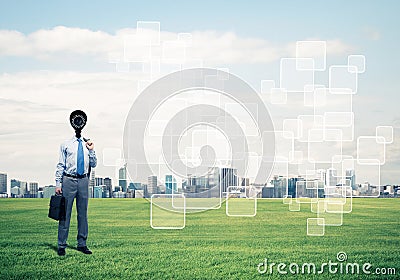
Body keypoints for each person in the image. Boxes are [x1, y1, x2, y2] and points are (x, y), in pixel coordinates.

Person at [55, 110, 97, 256]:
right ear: (72, 123)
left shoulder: (88, 144)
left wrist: (91, 150)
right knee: (64, 214)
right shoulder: (65, 144)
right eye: (76, 120)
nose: (79, 123)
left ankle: (82, 244)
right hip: (68, 180)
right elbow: (60, 164)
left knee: (82, 214)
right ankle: (61, 245)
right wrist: (58, 183)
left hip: (84, 181)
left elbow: (94, 163)